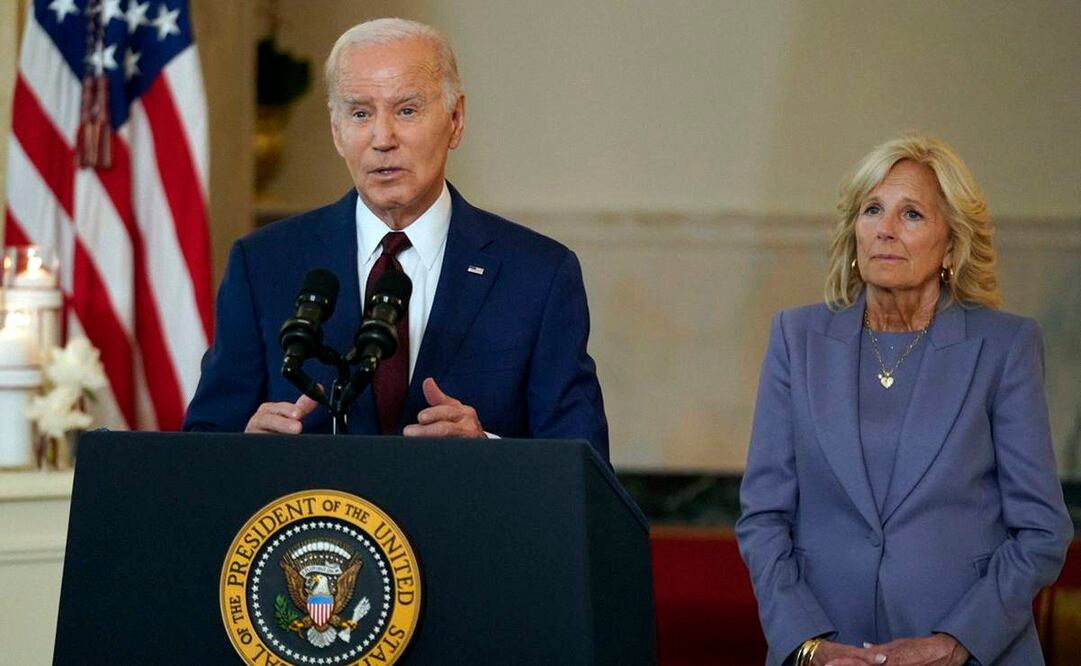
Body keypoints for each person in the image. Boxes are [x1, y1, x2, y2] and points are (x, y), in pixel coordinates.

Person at [183, 18, 608, 460]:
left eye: (406, 110)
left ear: (456, 120)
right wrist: (244, 449)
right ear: (336, 131)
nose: (382, 139)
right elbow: (202, 445)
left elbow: (585, 467)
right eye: (360, 113)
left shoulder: (537, 275)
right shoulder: (264, 264)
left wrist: (487, 452)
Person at [736, 134, 1072, 666]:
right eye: (873, 209)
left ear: (952, 245)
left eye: (911, 214)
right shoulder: (796, 339)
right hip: (831, 650)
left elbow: (1042, 530)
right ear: (853, 231)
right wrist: (807, 644)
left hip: (969, 653)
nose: (886, 229)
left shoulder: (1004, 346)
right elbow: (763, 516)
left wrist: (957, 643)